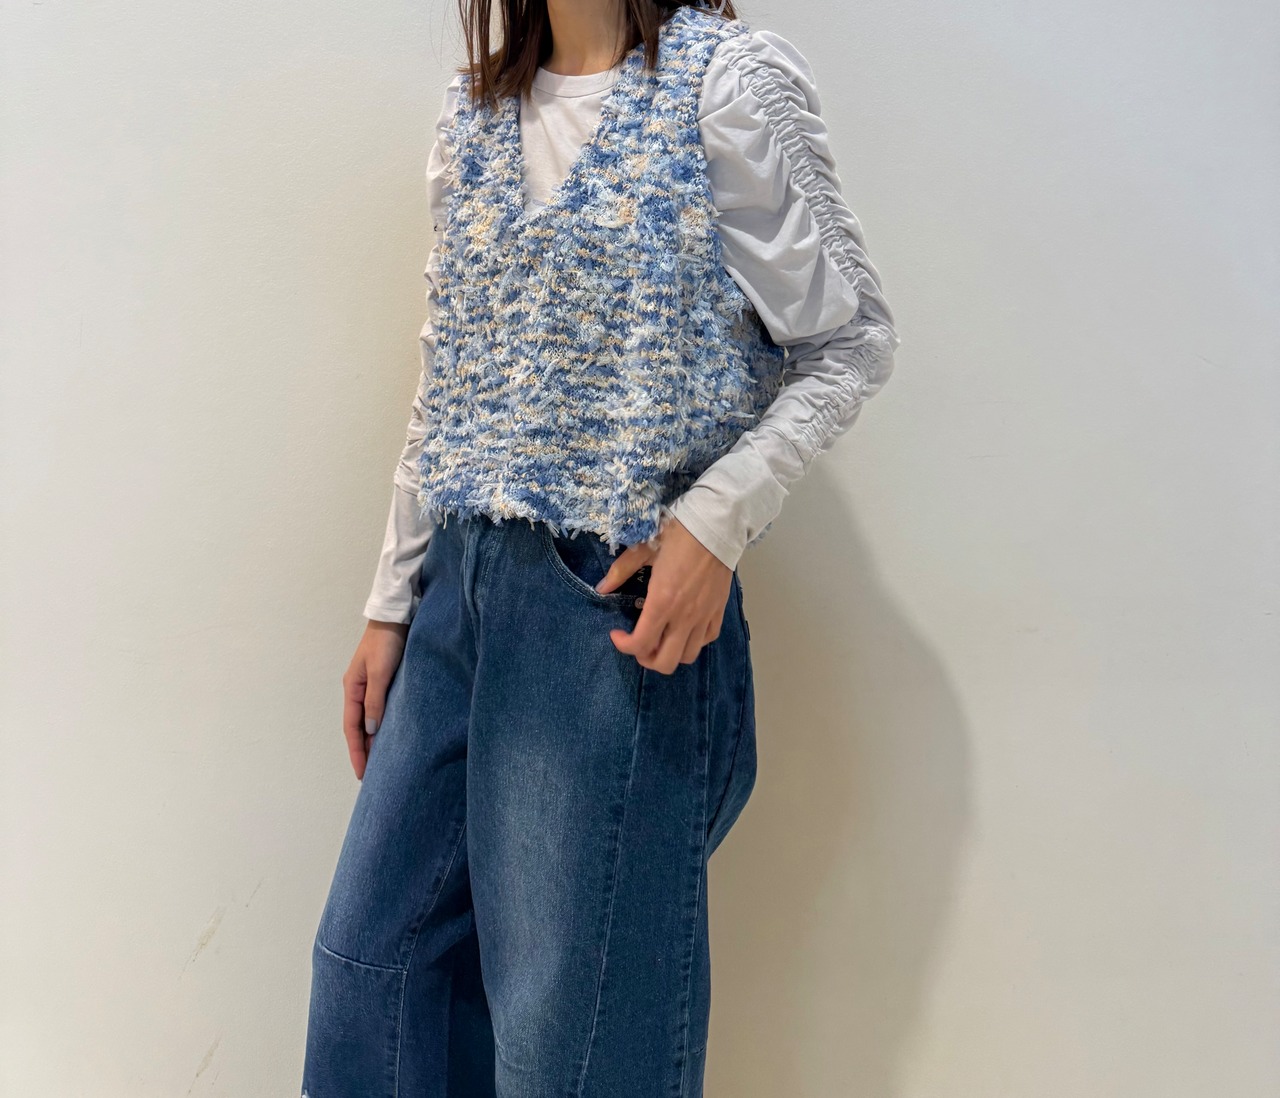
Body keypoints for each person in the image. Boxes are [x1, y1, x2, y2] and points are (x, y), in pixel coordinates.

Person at [301, 1, 900, 1094]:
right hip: (455, 601)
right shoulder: (477, 110)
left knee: (569, 1055)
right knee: (372, 985)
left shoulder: (723, 86)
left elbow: (849, 342)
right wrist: (392, 600)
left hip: (604, 618)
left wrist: (715, 522)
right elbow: (452, 375)